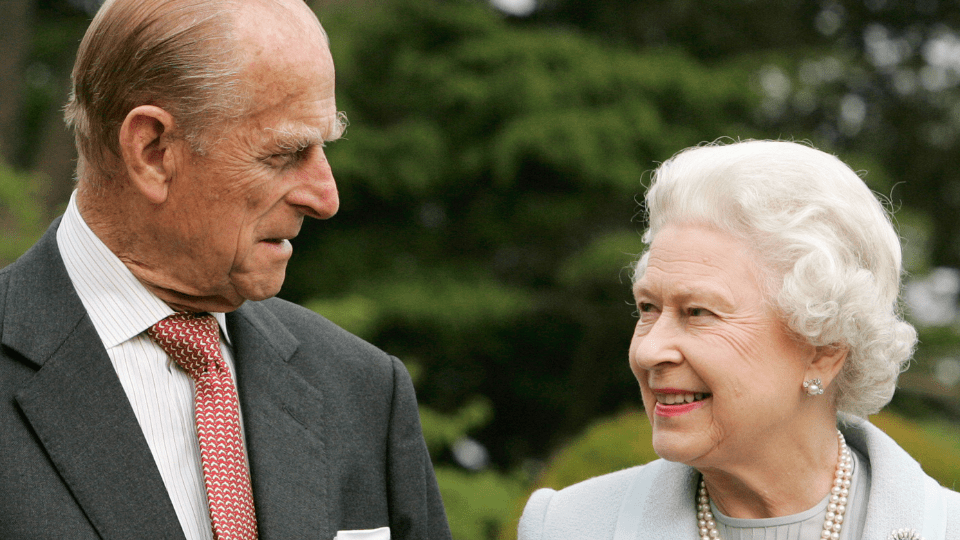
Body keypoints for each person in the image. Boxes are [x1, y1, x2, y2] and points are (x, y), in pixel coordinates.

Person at [0, 0, 451, 539]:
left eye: (324, 147)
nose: (325, 198)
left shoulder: (364, 391)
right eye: (285, 153)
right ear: (152, 150)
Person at [518, 140, 960, 540]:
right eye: (648, 308)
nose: (649, 351)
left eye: (698, 312)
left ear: (823, 350)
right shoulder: (565, 526)